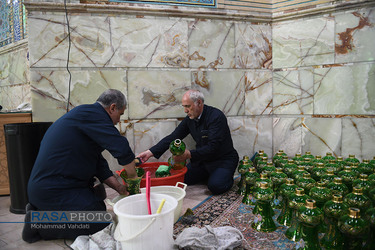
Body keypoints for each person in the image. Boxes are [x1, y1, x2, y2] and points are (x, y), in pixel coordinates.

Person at [23, 89, 138, 242]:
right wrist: (133, 178)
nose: (118, 121)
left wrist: (119, 188)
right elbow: (121, 148)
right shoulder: (94, 116)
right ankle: (38, 224)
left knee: (98, 206)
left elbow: (99, 164)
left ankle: (44, 211)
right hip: (52, 190)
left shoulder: (86, 115)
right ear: (112, 108)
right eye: (120, 114)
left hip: (60, 186)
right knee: (98, 221)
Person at [137, 89, 239, 195]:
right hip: (202, 161)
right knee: (179, 179)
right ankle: (209, 175)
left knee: (215, 186)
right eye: (184, 107)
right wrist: (150, 152)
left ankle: (224, 177)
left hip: (222, 160)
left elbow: (213, 147)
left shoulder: (216, 117)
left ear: (199, 103)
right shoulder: (190, 119)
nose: (185, 111)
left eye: (188, 106)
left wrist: (188, 154)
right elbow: (173, 137)